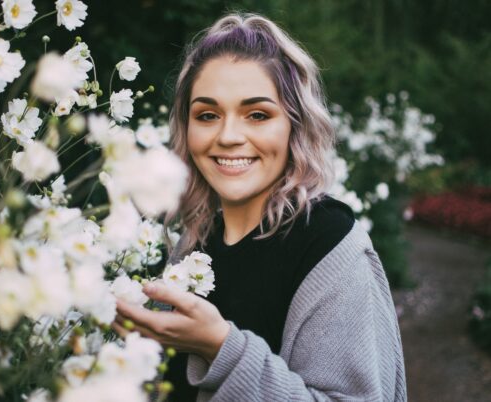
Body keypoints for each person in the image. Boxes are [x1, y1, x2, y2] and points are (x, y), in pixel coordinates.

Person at [113, 12, 407, 402]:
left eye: (257, 115)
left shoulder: (330, 247)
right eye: (207, 115)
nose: (228, 136)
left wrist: (221, 350)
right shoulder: (193, 243)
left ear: (295, 126)